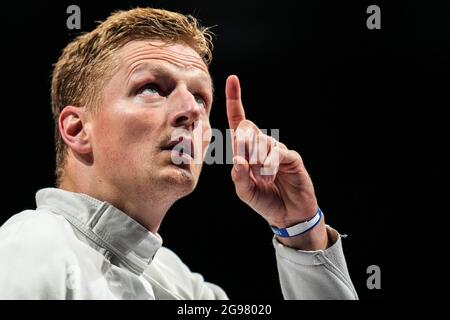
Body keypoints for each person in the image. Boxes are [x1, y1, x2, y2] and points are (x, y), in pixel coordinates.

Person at [0, 7, 358, 300]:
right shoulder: (31, 245)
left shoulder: (185, 288)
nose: (192, 110)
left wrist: (302, 230)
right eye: (153, 88)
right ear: (78, 130)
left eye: (201, 97)